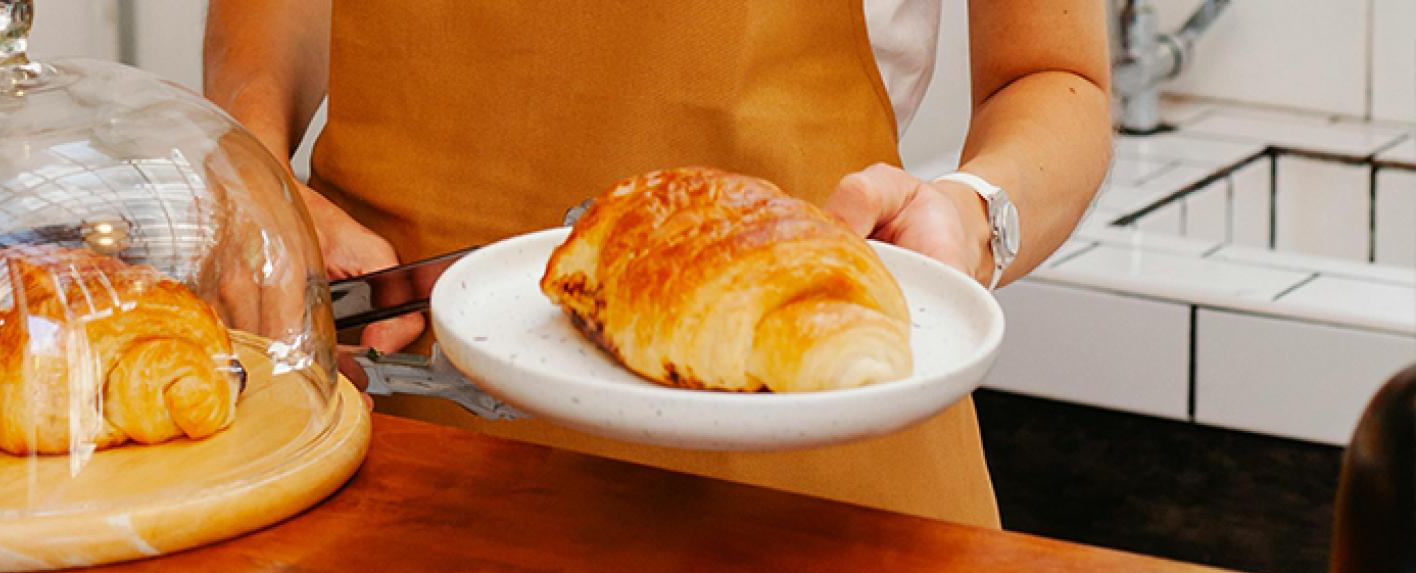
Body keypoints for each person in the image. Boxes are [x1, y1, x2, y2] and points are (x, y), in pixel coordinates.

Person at [204, 0, 1112, 529]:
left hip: (803, 478)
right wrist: (253, 177)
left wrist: (974, 215)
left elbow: (1053, 80)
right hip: (399, 435)